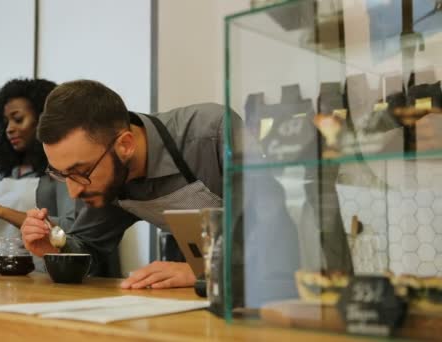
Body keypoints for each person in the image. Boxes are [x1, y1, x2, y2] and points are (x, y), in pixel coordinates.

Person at [20, 79, 299, 299]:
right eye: (62, 174)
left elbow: (274, 240)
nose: (73, 192)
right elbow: (89, 250)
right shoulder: (102, 174)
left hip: (274, 290)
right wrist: (53, 249)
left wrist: (204, 271)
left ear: (125, 145)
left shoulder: (210, 134)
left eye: (81, 173)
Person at [0, 78, 76, 271]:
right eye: (6, 122)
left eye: (18, 119)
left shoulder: (58, 175)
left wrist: (1, 211)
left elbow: (68, 230)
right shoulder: (7, 176)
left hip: (35, 278)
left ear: (43, 120)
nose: (9, 128)